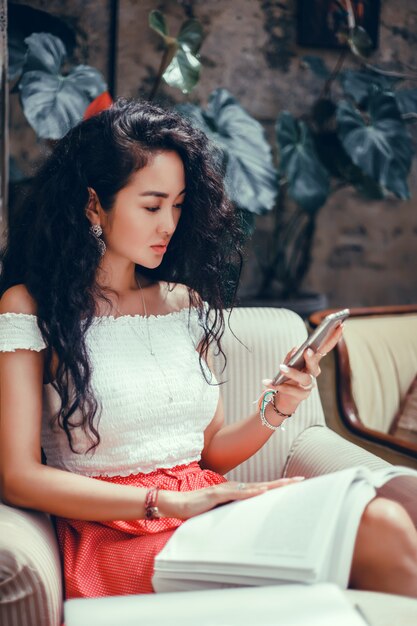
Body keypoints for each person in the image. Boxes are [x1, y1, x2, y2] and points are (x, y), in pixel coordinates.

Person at [0, 98, 416, 601]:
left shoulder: (182, 303)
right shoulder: (30, 308)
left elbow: (213, 451)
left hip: (203, 508)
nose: (168, 225)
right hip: (114, 536)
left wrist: (279, 403)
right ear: (94, 205)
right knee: (380, 530)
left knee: (393, 510)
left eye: (177, 205)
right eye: (152, 206)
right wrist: (167, 504)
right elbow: (17, 477)